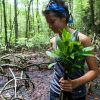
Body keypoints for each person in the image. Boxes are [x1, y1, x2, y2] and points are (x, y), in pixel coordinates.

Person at [43, 0, 99, 100]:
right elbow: (57, 68)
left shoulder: (82, 40)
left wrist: (74, 83)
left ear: (64, 17)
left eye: (52, 21)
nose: (50, 26)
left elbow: (94, 71)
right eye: (48, 23)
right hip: (55, 91)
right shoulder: (53, 41)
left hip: (77, 93)